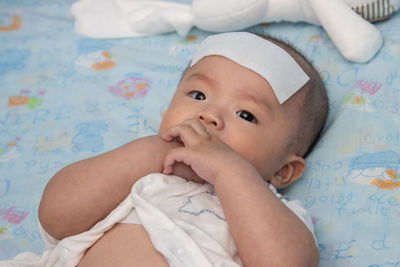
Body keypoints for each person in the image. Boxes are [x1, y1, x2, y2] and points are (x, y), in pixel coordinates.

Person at [2, 32, 328, 267]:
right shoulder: (134, 170)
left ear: (284, 171)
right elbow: (56, 216)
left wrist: (230, 170)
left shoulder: (270, 211)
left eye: (246, 114)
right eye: (198, 95)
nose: (208, 115)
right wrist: (152, 152)